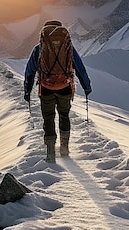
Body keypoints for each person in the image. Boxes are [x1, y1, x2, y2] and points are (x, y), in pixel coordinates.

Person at [24, 20, 92, 162]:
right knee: (64, 115)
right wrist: (87, 87)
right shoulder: (68, 47)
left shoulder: (39, 48)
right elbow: (80, 68)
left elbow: (29, 71)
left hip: (46, 88)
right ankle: (64, 148)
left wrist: (27, 91)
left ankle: (50, 152)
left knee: (48, 118)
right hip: (65, 87)